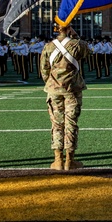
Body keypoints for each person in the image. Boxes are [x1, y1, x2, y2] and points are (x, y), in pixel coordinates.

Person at [40, 23, 92, 170]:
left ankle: (58, 160)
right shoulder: (77, 44)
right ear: (69, 28)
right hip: (72, 89)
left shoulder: (48, 46)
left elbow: (44, 70)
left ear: (55, 29)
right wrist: (75, 36)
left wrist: (51, 83)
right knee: (71, 123)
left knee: (57, 124)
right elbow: (88, 51)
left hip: (54, 90)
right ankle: (70, 160)